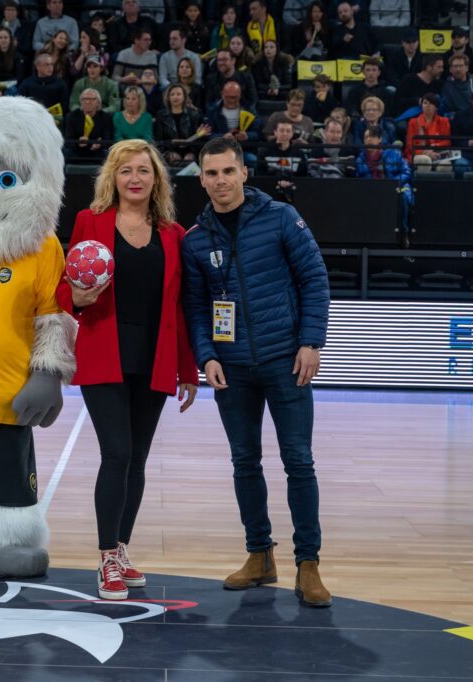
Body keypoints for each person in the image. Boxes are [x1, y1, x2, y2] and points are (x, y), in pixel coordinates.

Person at [181, 136, 331, 608]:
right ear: (201, 178)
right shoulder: (195, 238)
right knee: (245, 463)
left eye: (228, 172)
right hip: (232, 371)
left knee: (298, 461)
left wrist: (310, 342)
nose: (220, 181)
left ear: (244, 172)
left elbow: (314, 278)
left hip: (286, 361)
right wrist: (206, 356)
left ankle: (308, 564)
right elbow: (196, 306)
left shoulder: (282, 217)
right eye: (211, 174)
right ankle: (260, 556)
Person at [55, 139, 198, 601]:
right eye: (125, 171)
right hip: (104, 355)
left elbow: (181, 307)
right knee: (116, 453)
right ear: (111, 178)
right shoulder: (89, 222)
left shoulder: (174, 233)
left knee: (136, 458)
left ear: (156, 179)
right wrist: (75, 299)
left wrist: (188, 370)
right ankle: (106, 559)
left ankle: (121, 548)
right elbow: (64, 289)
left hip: (153, 358)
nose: (135, 178)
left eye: (143, 170)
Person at [356, 125, 413, 245]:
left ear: (379, 139)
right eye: (366, 137)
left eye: (372, 136)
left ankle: (404, 233)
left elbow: (406, 172)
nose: (368, 140)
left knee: (402, 197)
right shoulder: (360, 159)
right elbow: (359, 178)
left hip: (394, 188)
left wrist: (393, 183)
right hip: (372, 190)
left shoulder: (394, 154)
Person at [153, 82, 209, 165]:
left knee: (189, 159)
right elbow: (158, 142)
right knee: (174, 158)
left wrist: (198, 135)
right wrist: (172, 142)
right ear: (168, 97)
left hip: (191, 150)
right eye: (172, 94)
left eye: (179, 94)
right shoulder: (161, 116)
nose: (175, 97)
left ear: (184, 97)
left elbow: (203, 139)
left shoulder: (195, 114)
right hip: (169, 150)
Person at [405, 92, 451, 174]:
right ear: (421, 105)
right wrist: (426, 152)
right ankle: (422, 186)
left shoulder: (444, 121)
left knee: (446, 164)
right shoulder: (413, 122)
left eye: (431, 103)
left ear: (436, 107)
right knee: (425, 160)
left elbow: (447, 141)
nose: (427, 106)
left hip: (438, 153)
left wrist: (433, 147)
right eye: (425, 103)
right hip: (418, 153)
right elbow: (410, 145)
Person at [64, 87, 113, 161]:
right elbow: (68, 140)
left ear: (98, 103)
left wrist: (100, 144)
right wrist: (78, 143)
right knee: (66, 152)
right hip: (77, 151)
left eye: (91, 99)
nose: (87, 102)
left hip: (98, 152)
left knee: (107, 153)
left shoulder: (105, 117)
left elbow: (108, 139)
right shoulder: (72, 116)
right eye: (84, 99)